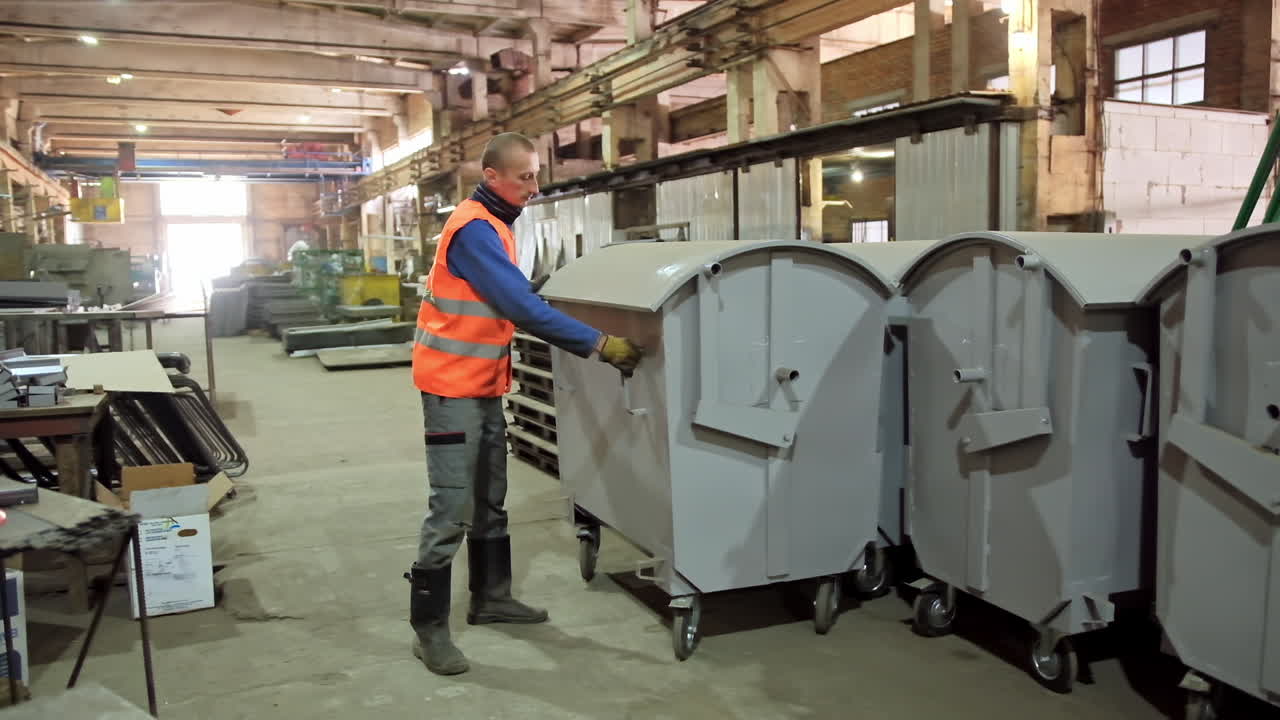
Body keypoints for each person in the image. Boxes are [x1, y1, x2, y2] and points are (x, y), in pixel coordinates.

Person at [406, 132, 643, 676]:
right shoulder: (473, 230)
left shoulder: (497, 225)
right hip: (451, 389)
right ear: (493, 177)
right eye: (525, 177)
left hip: (484, 386)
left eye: (536, 175)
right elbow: (520, 305)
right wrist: (601, 344)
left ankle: (491, 598)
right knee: (452, 510)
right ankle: (429, 630)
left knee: (491, 499)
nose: (535, 186)